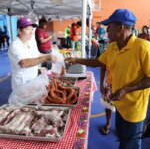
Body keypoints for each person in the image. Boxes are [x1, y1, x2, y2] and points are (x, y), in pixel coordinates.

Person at [65, 9, 150, 149]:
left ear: (121, 27)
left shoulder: (143, 47)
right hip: (119, 106)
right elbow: (99, 62)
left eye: (109, 26)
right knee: (123, 139)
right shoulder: (113, 47)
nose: (106, 30)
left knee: (131, 144)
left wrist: (126, 89)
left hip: (134, 109)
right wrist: (76, 60)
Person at [8, 17, 56, 90]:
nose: (31, 32)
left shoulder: (31, 42)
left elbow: (38, 55)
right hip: (21, 84)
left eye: (32, 29)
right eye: (27, 29)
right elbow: (24, 63)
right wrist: (46, 58)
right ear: (19, 31)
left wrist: (51, 55)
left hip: (33, 81)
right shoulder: (15, 45)